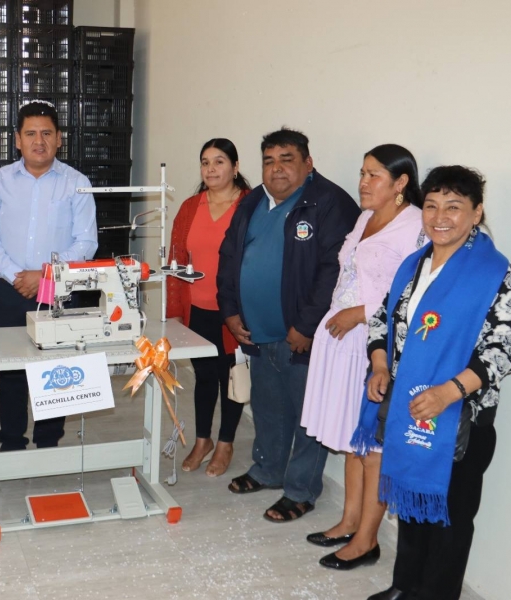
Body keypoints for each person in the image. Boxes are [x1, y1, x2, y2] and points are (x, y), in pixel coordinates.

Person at [365, 166, 511, 600]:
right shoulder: (414, 265)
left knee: (450, 517)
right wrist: (380, 364)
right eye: (431, 205)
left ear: (476, 213)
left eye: (454, 207)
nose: (440, 216)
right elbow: (384, 318)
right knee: (414, 505)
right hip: (409, 407)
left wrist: (447, 393)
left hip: (460, 417)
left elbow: (503, 346)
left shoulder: (493, 272)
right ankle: (405, 586)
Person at [217, 127, 360, 522]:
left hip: (302, 337)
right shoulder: (251, 203)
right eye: (269, 161)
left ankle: (300, 490)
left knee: (306, 416)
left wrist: (307, 325)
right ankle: (267, 470)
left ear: (307, 163)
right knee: (268, 408)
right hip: (256, 332)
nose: (277, 169)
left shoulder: (329, 203)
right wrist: (230, 309)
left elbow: (335, 270)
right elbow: (229, 256)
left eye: (287, 159)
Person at [298, 144, 425, 570]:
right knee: (355, 439)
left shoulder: (415, 228)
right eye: (362, 173)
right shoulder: (364, 218)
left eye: (374, 175)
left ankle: (367, 541)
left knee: (373, 443)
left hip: (376, 345)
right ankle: (350, 521)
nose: (363, 182)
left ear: (401, 183)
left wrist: (361, 313)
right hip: (344, 340)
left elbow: (414, 296)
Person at [0, 100, 98, 451]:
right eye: (30, 133)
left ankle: (48, 444)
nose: (38, 141)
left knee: (54, 372)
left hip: (58, 291)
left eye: (46, 133)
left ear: (59, 139)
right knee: (11, 373)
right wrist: (18, 275)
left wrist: (44, 276)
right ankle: (11, 443)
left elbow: (86, 242)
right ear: (17, 139)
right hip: (10, 290)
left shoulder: (76, 183)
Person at [166, 138, 251, 477]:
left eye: (219, 161)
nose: (211, 169)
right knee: (203, 376)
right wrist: (174, 311)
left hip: (235, 311)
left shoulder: (250, 205)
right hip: (196, 308)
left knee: (232, 375)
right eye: (205, 162)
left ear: (235, 166)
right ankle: (202, 440)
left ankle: (226, 442)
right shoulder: (190, 206)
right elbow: (176, 260)